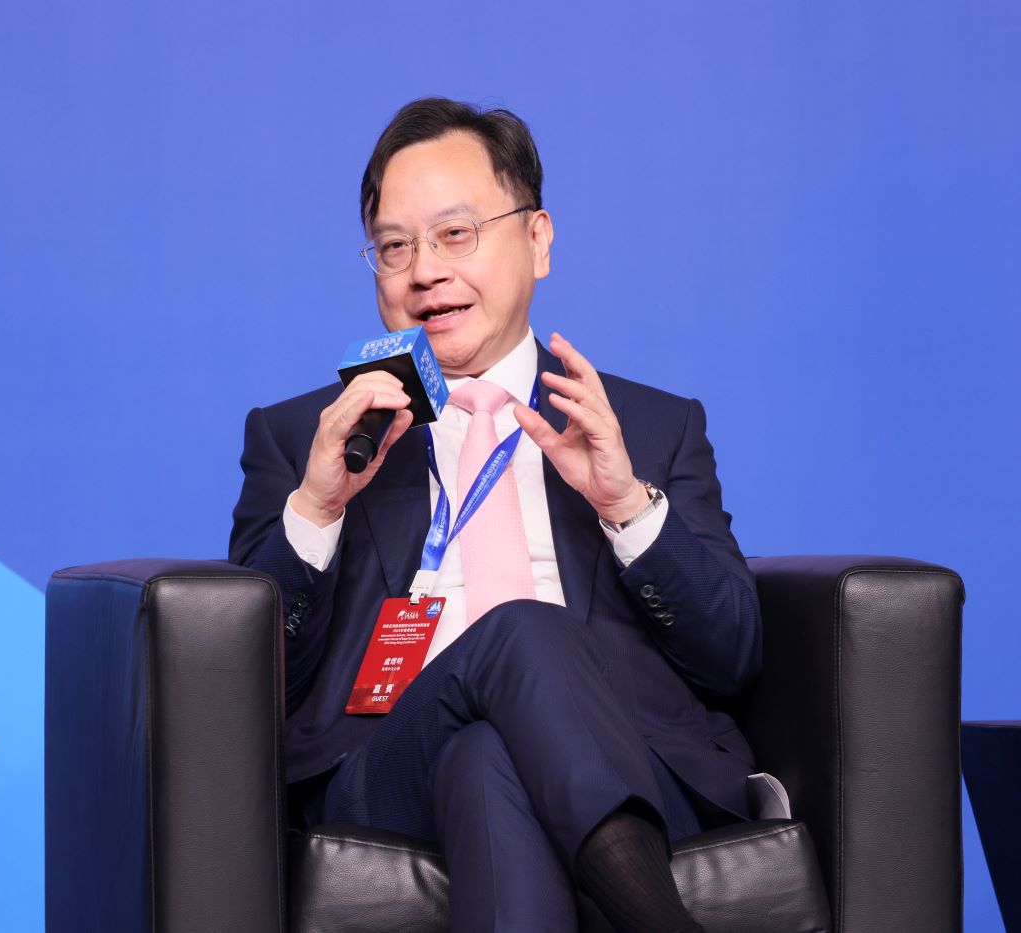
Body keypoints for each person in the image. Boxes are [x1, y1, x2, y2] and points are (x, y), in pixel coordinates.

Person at [228, 97, 761, 933]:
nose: (424, 272)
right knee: (521, 631)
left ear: (538, 241)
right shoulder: (308, 439)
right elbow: (241, 684)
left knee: (486, 755)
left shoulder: (651, 428)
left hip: (628, 757)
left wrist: (625, 506)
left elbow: (732, 657)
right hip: (388, 766)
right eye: (394, 247)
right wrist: (317, 510)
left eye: (455, 234)